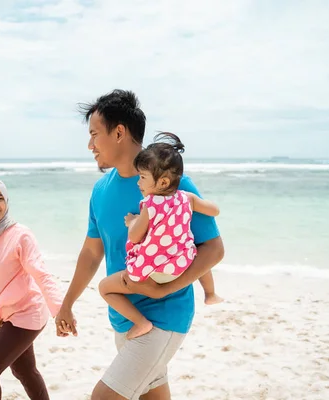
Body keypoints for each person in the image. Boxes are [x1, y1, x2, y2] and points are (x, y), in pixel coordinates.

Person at [55, 89, 225, 400]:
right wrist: (67, 303)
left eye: (94, 134)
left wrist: (166, 288)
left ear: (119, 132)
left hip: (164, 317)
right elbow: (92, 252)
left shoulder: (171, 185)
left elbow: (213, 249)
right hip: (125, 320)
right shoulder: (100, 190)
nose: (90, 145)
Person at [98, 131, 223, 340]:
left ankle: (141, 322)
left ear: (163, 182)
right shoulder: (187, 198)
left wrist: (132, 222)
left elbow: (136, 237)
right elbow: (214, 210)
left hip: (154, 272)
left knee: (105, 289)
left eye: (143, 177)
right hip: (182, 266)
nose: (139, 182)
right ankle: (210, 294)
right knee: (194, 249)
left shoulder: (150, 204)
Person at [0, 177, 62, 400]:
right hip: (3, 315)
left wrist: (60, 311)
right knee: (24, 370)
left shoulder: (20, 235)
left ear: (7, 201)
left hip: (26, 314)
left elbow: (41, 274)